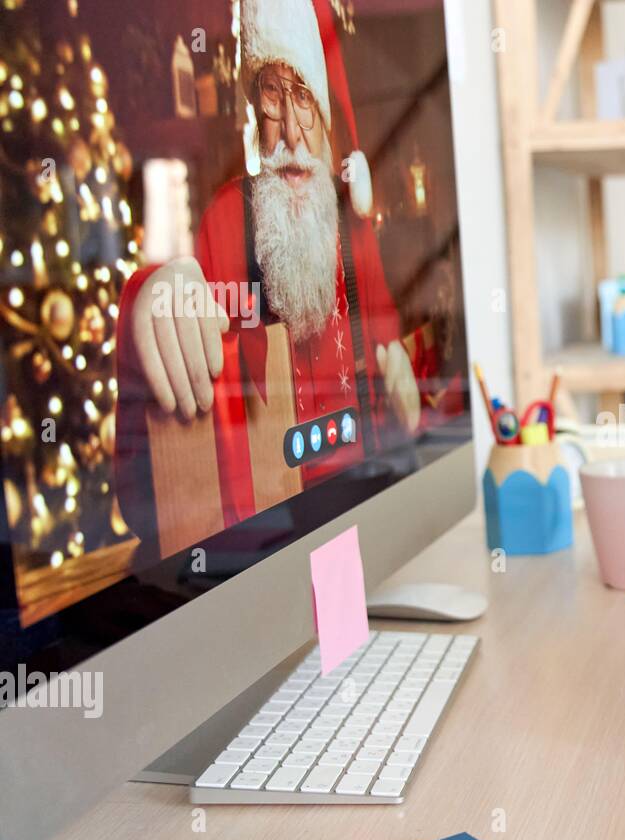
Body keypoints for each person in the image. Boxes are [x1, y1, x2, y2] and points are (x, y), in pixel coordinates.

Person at [113, 0, 423, 548]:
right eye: (273, 95)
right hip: (269, 545)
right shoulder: (229, 219)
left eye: (303, 96)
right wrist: (151, 298)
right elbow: (154, 498)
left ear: (324, 113)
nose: (292, 131)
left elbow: (394, 357)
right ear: (256, 105)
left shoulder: (353, 231)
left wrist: (405, 393)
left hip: (368, 516)